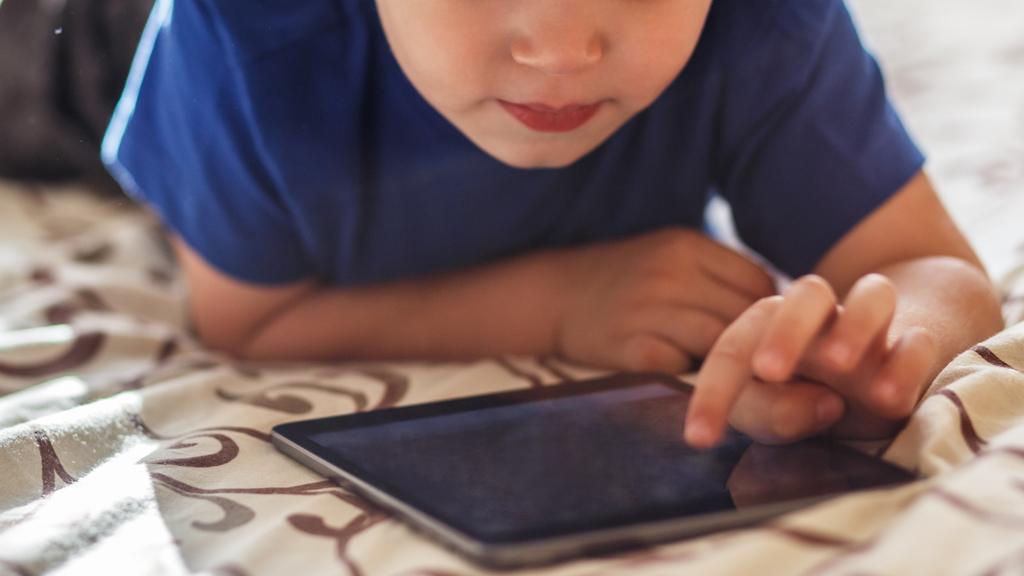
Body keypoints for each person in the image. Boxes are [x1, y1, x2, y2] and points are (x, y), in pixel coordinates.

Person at [102, 0, 1003, 448]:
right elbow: (245, 317)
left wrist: (883, 348)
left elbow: (931, 267)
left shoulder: (760, 25)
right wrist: (561, 306)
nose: (563, 50)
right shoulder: (241, 35)